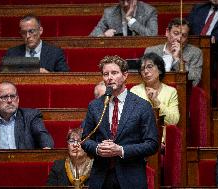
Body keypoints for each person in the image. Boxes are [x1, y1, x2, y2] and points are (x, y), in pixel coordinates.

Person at [82, 55, 159, 189]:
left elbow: (152, 144)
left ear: (125, 75)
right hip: (101, 178)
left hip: (131, 177)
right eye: (106, 74)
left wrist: (121, 150)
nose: (109, 77)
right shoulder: (94, 106)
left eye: (114, 73)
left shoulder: (142, 106)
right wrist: (97, 148)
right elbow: (85, 140)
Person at [0, 81, 54, 149]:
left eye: (12, 96)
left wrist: (47, 147)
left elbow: (42, 135)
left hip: (26, 162)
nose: (9, 101)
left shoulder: (31, 116)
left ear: (18, 99)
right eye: (4, 97)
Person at [130, 52, 180, 144]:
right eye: (142, 69)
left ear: (160, 69)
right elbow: (133, 121)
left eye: (150, 66)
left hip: (163, 142)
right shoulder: (135, 91)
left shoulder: (171, 92)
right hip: (141, 142)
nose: (145, 71)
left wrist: (156, 102)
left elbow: (173, 121)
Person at [144, 18, 203, 86]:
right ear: (167, 32)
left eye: (184, 35)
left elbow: (194, 82)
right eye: (176, 33)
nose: (179, 39)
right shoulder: (151, 51)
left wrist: (177, 59)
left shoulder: (195, 53)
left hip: (181, 92)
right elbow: (145, 77)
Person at [4, 14, 69, 73]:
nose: (27, 36)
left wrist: (49, 75)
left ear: (40, 30)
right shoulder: (12, 53)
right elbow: (1, 76)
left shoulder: (55, 53)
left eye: (31, 31)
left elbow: (65, 77)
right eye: (23, 32)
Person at [89, 0, 157, 37]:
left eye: (128, 0)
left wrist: (130, 19)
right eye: (122, 0)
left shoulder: (149, 11)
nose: (126, 4)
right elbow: (92, 36)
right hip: (117, 54)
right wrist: (104, 35)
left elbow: (152, 36)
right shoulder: (109, 13)